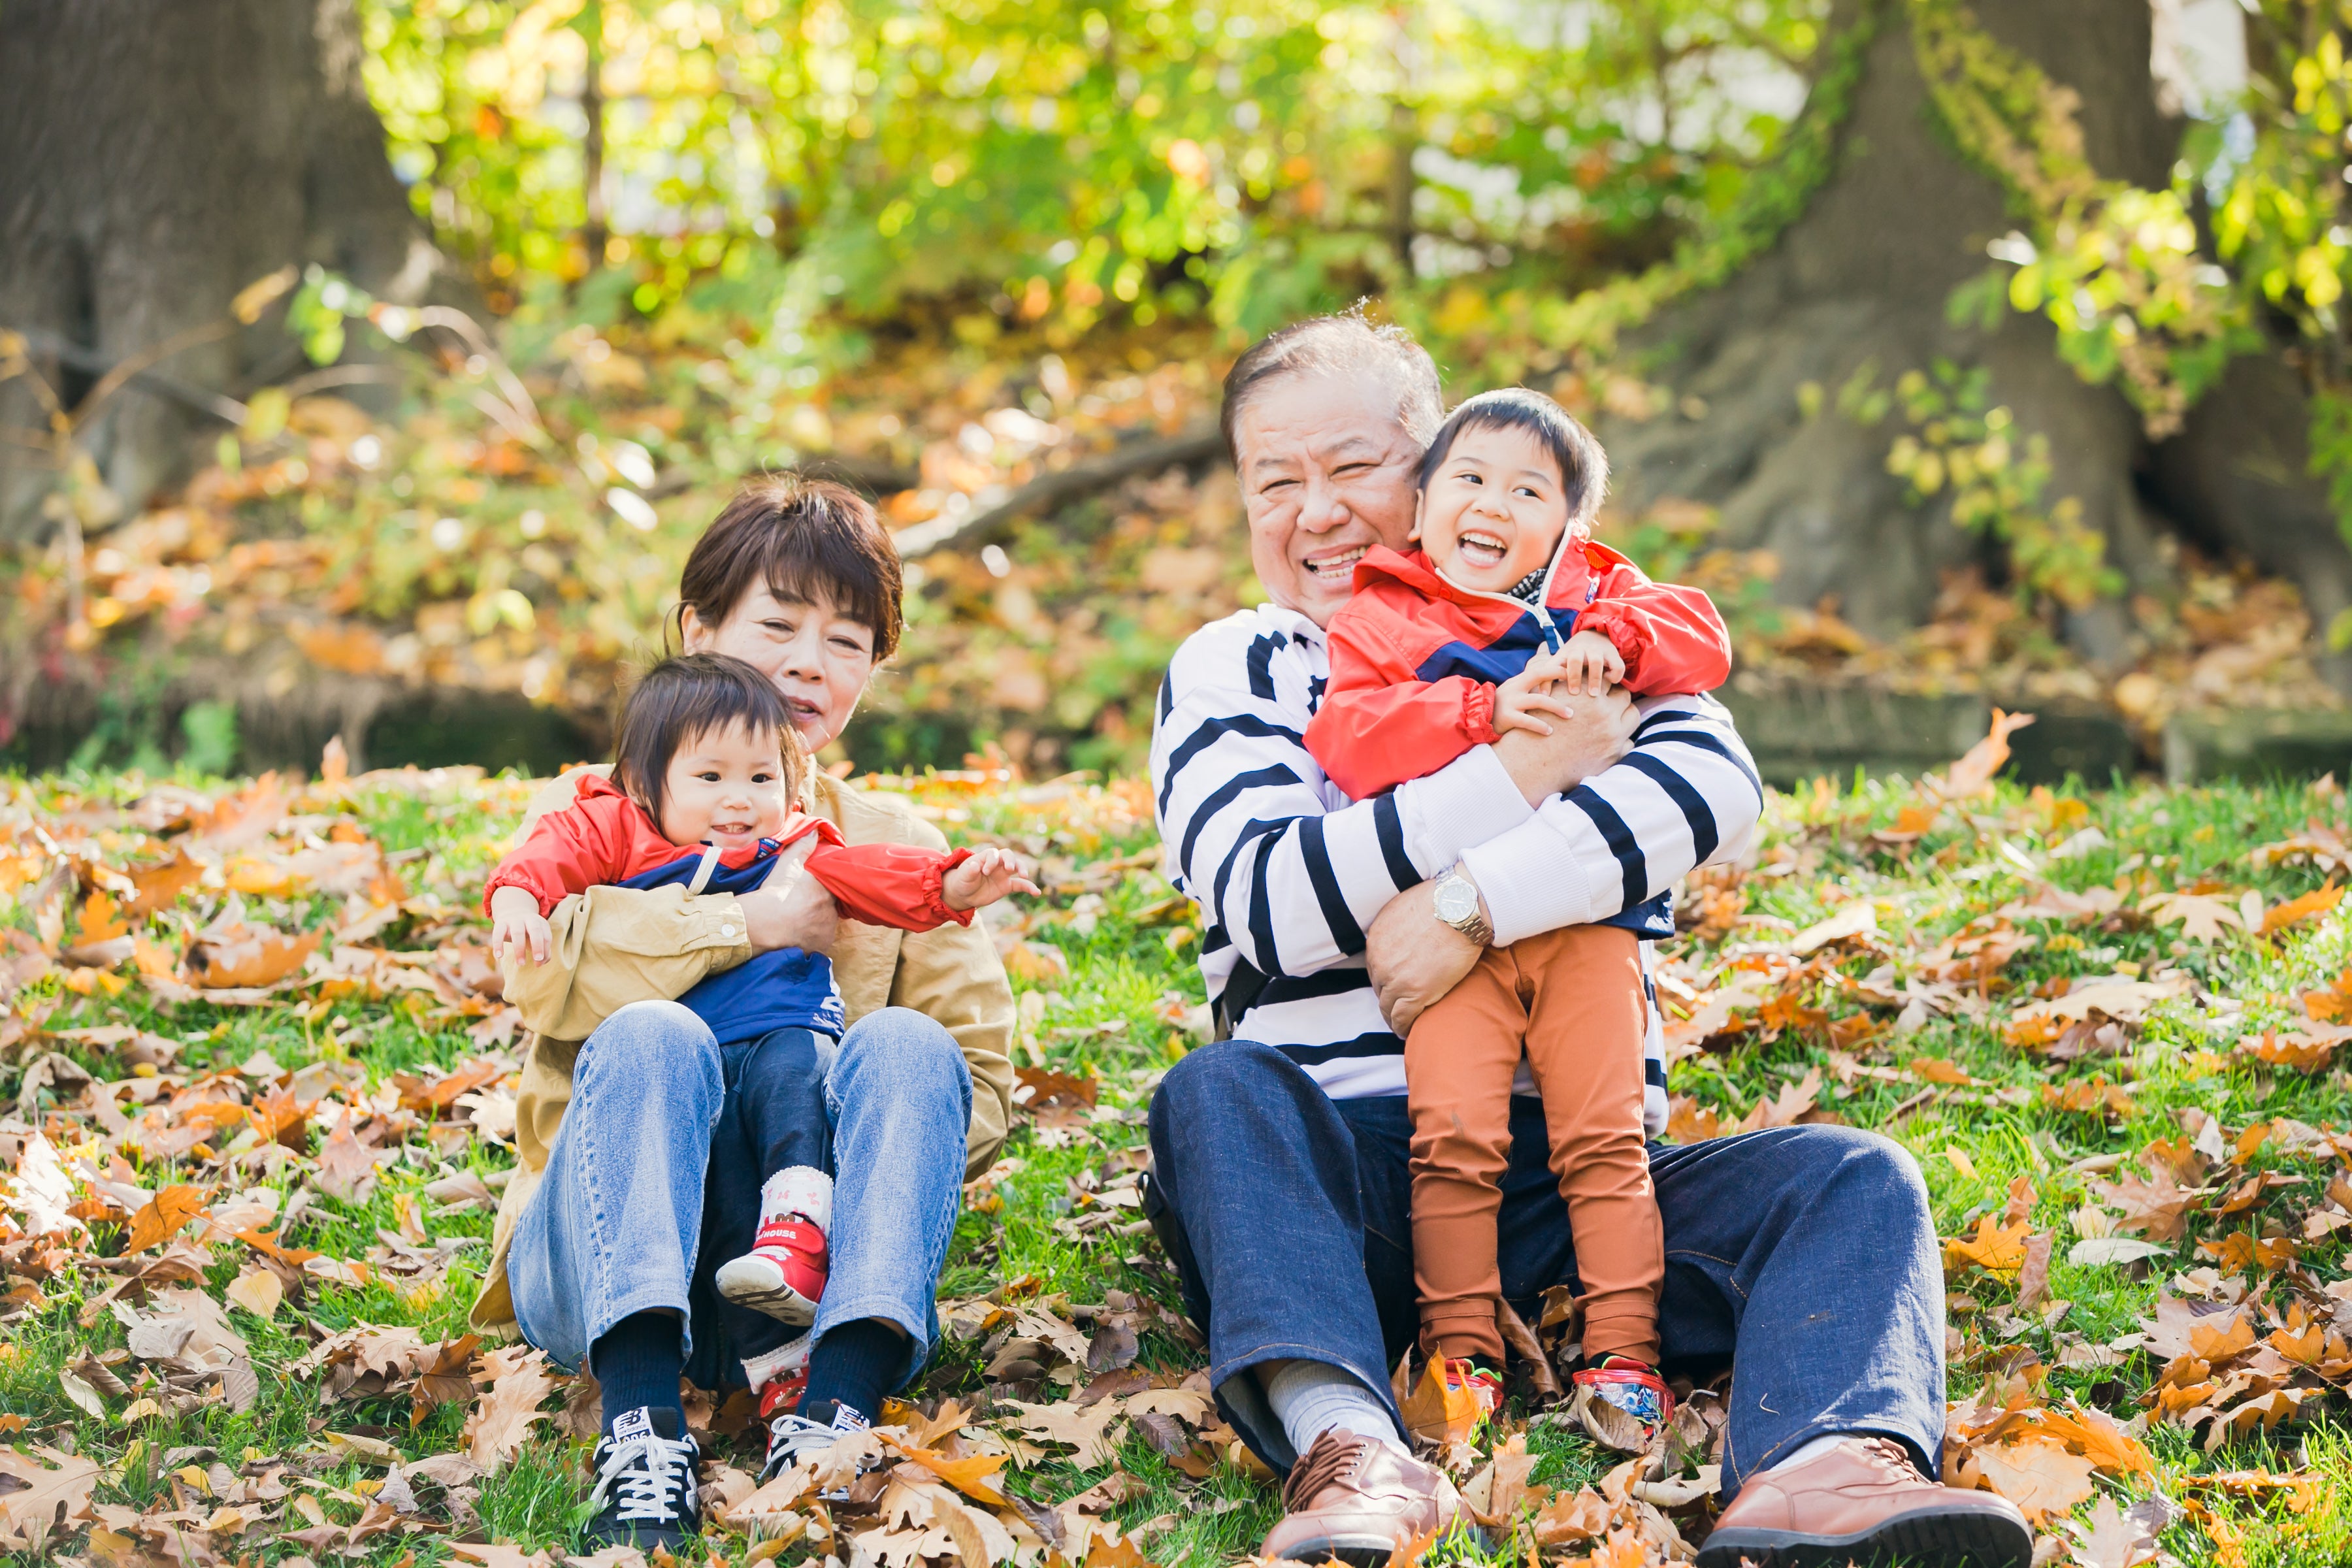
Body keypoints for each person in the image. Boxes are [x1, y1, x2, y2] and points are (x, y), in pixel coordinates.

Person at [1146, 311, 2031, 1568]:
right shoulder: (1242, 665)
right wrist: (1532, 769)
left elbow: (1708, 796)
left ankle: (1824, 1470)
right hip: (1339, 1181)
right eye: (1273, 482)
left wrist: (1466, 909)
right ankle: (1351, 1450)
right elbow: (1272, 901)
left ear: (1443, 460)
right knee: (1218, 1094)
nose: (1319, 511)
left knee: (1855, 1178)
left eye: (1353, 467)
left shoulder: (1582, 623)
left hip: (1584, 1175)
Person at [467, 478, 1017, 1554]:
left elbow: (979, 1091)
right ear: (699, 631)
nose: (812, 660)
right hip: (598, 1252)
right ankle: (640, 1426)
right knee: (653, 1034)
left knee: (910, 1043)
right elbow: (545, 982)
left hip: (805, 1271)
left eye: (848, 640)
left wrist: (830, 1104)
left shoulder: (895, 844)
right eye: (779, 624)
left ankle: (836, 1410)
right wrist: (753, 926)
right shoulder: (598, 815)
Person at [1301, 387, 1731, 1443]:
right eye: (1470, 479)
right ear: (1424, 503)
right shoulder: (1382, 615)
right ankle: (1461, 1358)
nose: (1493, 502)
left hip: (1584, 925)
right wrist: (1483, 710)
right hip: (1448, 941)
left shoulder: (1595, 596)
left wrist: (1617, 645)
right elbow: (1350, 740)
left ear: (1568, 527)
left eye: (1528, 489)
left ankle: (1623, 1355)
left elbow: (1702, 636)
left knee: (1605, 1134)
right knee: (1450, 1137)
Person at [484, 652, 1032, 1334]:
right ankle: (646, 1336)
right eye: (710, 777)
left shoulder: (798, 846)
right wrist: (515, 899)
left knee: (797, 1081)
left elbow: (878, 878)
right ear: (645, 786)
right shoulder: (617, 826)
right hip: (666, 1087)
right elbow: (548, 858)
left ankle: (796, 1240)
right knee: (661, 1045)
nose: (738, 798)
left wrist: (950, 885)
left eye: (760, 777)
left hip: (781, 1034)